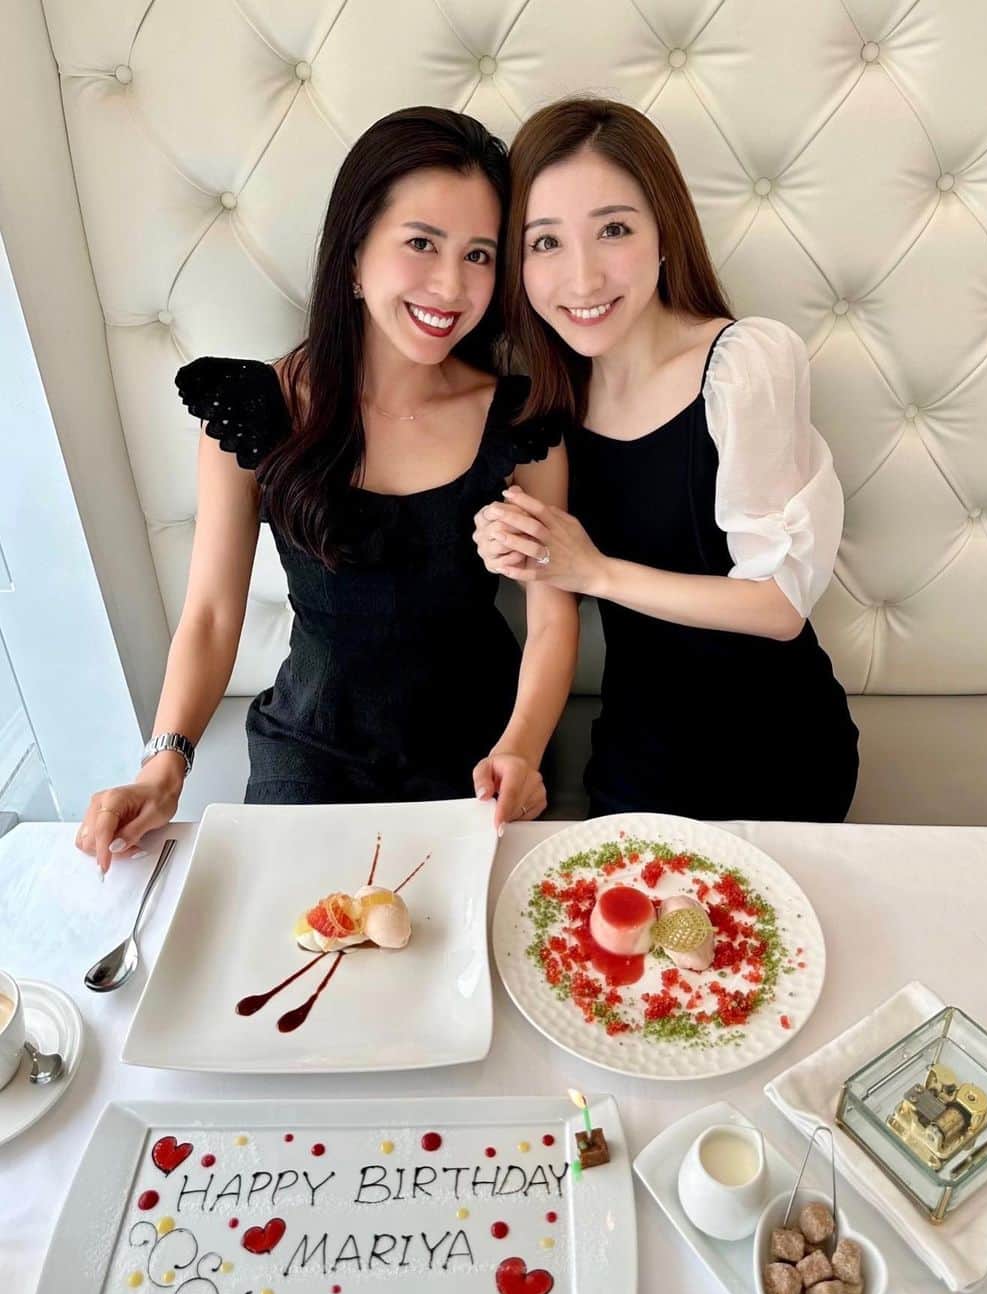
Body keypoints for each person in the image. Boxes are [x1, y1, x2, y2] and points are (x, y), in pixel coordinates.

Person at [76, 107, 578, 874]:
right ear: (352, 255)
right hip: (311, 750)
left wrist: (522, 747)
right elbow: (211, 614)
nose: (452, 285)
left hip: (481, 750)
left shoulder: (521, 417)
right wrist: (163, 765)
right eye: (421, 243)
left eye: (478, 254)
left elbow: (551, 617)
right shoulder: (255, 408)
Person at [474, 98, 858, 821]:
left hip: (781, 749)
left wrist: (596, 570)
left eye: (613, 229)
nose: (583, 280)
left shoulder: (743, 365)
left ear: (663, 234)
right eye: (545, 242)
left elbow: (779, 607)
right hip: (637, 757)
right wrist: (515, 544)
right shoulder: (547, 404)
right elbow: (553, 603)